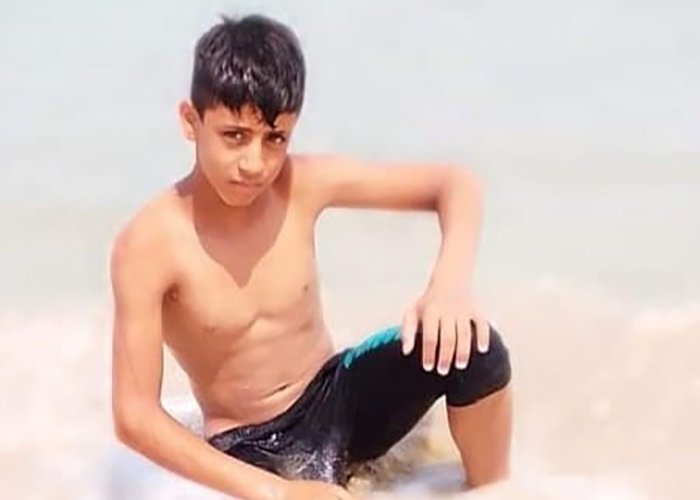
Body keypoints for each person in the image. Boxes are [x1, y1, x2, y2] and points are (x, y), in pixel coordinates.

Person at [110, 14, 513, 500]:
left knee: (475, 348)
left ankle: (494, 490)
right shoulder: (148, 245)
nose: (255, 163)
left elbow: (454, 184)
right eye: (234, 136)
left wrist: (448, 285)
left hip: (336, 395)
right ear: (190, 122)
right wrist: (276, 492)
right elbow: (134, 416)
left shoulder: (301, 185)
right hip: (251, 443)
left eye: (275, 139)